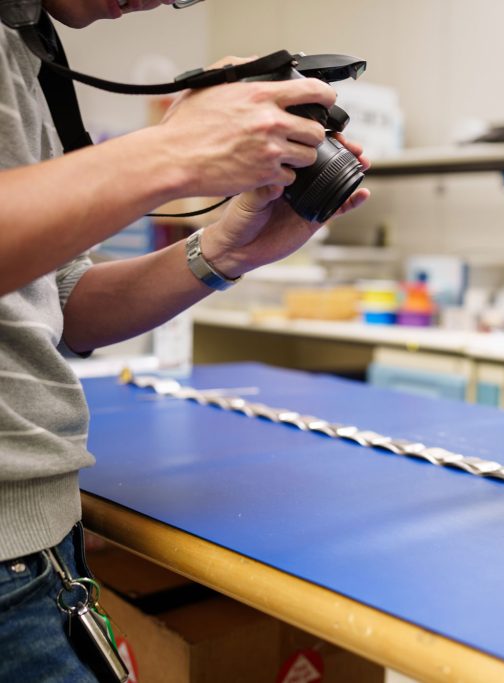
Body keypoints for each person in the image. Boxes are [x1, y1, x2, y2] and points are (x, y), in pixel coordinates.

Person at [0, 1, 370, 679]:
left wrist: (227, 251)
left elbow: (60, 305)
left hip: (41, 544)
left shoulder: (23, 40)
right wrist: (173, 151)